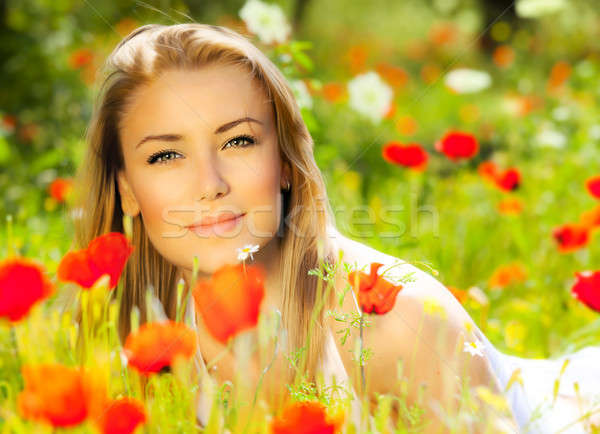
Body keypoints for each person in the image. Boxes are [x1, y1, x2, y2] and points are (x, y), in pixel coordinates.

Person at [68, 22, 600, 433]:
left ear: (283, 161)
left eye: (238, 142)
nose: (210, 184)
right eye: (166, 155)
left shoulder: (395, 319)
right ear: (127, 190)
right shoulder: (119, 338)